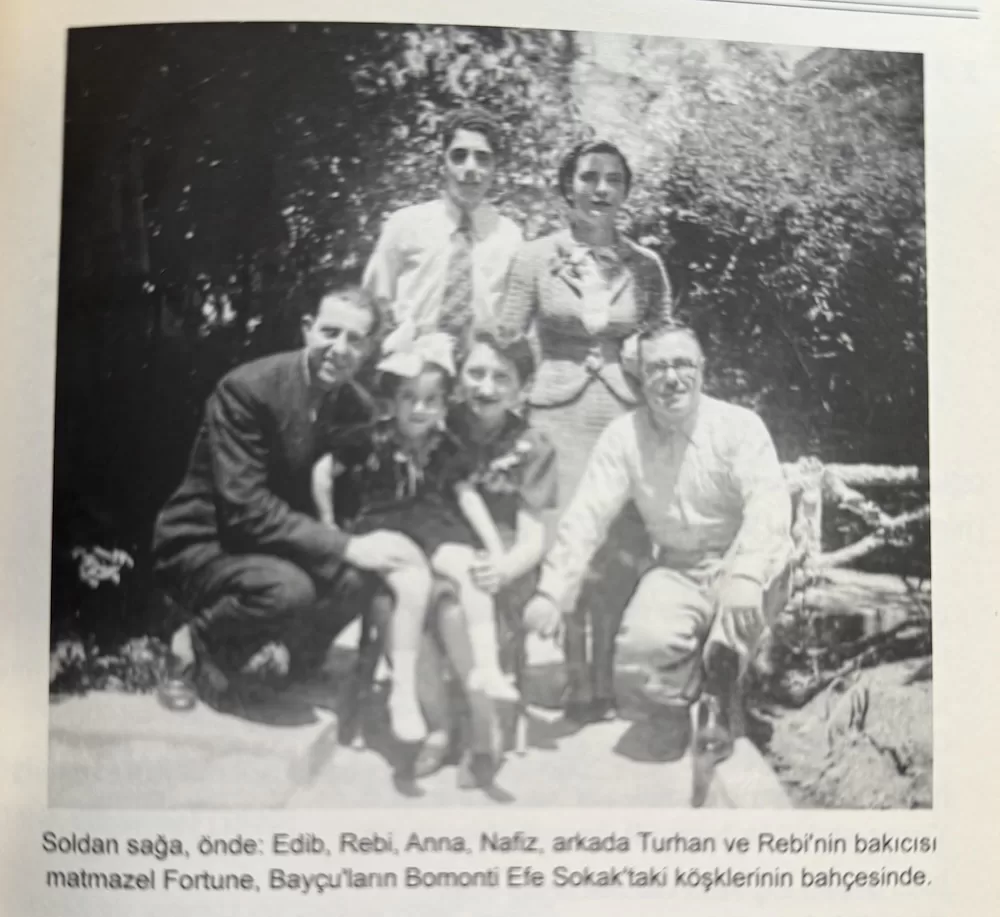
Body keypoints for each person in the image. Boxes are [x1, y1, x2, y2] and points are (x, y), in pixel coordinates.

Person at [523, 322, 793, 762]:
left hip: (744, 556)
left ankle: (720, 697)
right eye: (657, 368)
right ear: (639, 378)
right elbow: (587, 515)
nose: (671, 378)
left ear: (703, 369)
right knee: (640, 648)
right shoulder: (624, 436)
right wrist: (554, 590)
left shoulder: (739, 426)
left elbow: (768, 506)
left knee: (735, 627)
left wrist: (745, 572)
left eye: (683, 364)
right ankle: (683, 694)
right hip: (679, 566)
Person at [152, 281, 406, 713]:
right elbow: (244, 507)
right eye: (330, 332)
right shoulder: (249, 390)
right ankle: (188, 645)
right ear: (308, 329)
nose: (340, 348)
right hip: (208, 542)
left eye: (355, 339)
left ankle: (285, 656)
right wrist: (344, 545)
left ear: (367, 350)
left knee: (359, 576)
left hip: (281, 544)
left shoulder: (357, 409)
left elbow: (349, 500)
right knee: (289, 589)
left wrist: (369, 540)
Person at [493, 139, 673, 721]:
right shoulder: (533, 257)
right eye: (589, 177)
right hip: (553, 416)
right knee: (554, 538)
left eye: (613, 179)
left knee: (619, 546)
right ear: (566, 186)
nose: (601, 189)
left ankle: (603, 680)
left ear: (625, 191)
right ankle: (568, 671)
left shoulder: (646, 265)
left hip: (623, 418)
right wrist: (515, 405)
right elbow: (504, 335)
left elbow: (664, 345)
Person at [310, 329, 528, 744]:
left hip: (435, 525)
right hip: (386, 525)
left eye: (431, 401)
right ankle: (403, 694)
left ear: (445, 405)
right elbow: (324, 469)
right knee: (414, 583)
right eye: (410, 399)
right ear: (392, 402)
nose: (420, 410)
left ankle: (487, 666)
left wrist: (495, 549)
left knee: (470, 569)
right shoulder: (372, 437)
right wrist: (328, 526)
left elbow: (466, 496)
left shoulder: (445, 445)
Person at [410, 330, 559, 784]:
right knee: (412, 602)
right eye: (475, 373)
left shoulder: (533, 445)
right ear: (459, 380)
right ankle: (439, 726)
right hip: (438, 549)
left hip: (504, 560)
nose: (486, 387)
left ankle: (482, 731)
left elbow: (535, 538)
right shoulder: (437, 423)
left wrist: (505, 568)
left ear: (522, 388)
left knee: (459, 610)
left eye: (501, 376)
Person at [362, 106, 522, 339]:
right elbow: (375, 301)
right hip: (408, 361)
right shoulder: (405, 224)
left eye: (482, 158)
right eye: (459, 156)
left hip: (475, 367)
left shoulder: (510, 237)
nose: (469, 168)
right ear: (442, 163)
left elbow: (512, 317)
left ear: (495, 167)